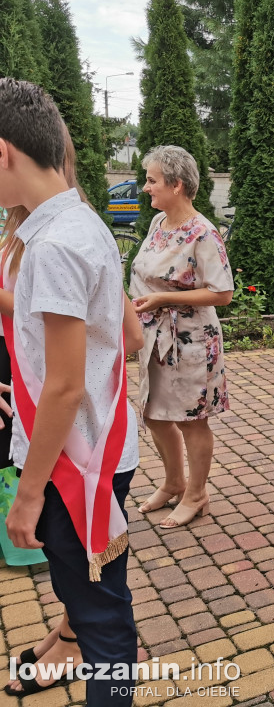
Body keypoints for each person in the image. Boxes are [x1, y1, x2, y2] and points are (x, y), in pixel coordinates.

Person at [0, 77, 140, 705]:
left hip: (74, 464)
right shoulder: (80, 222)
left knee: (103, 617)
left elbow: (61, 386)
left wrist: (27, 497)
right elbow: (123, 339)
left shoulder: (54, 245)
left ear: (3, 153)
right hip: (98, 448)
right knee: (92, 598)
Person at [130, 145, 233, 528]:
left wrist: (163, 298)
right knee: (155, 415)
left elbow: (223, 292)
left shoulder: (203, 233)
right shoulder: (160, 225)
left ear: (175, 185)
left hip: (191, 341)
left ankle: (197, 493)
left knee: (192, 420)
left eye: (152, 180)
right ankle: (174, 481)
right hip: (155, 337)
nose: (145, 188)